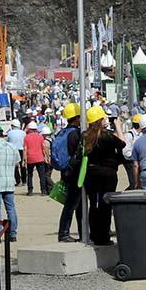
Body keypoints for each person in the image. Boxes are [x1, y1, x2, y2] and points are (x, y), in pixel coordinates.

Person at [83, 106, 126, 246]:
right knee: (105, 204)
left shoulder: (85, 135)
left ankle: (94, 234)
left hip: (91, 173)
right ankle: (103, 236)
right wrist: (118, 126)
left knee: (93, 204)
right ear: (99, 120)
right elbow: (122, 143)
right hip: (107, 173)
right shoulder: (106, 136)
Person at [57, 103, 83, 242]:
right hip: (74, 173)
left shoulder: (63, 132)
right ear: (77, 118)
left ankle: (81, 231)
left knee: (75, 204)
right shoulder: (75, 134)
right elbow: (76, 154)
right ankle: (64, 233)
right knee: (72, 205)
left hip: (66, 171)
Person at [23, 121, 48, 196]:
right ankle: (43, 191)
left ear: (29, 129)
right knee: (42, 175)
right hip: (40, 158)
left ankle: (30, 191)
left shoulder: (26, 137)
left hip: (30, 158)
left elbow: (25, 149)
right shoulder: (40, 137)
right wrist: (46, 156)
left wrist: (24, 160)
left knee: (30, 175)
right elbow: (44, 147)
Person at [122, 114, 142, 190]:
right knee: (134, 183)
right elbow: (125, 151)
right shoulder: (129, 135)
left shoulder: (141, 134)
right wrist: (135, 157)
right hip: (130, 162)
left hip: (138, 161)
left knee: (139, 183)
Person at [7, 119, 27, 186]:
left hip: (13, 150)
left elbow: (8, 142)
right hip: (21, 149)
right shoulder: (23, 133)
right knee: (22, 165)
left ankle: (18, 181)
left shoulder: (10, 133)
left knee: (15, 166)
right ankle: (24, 181)